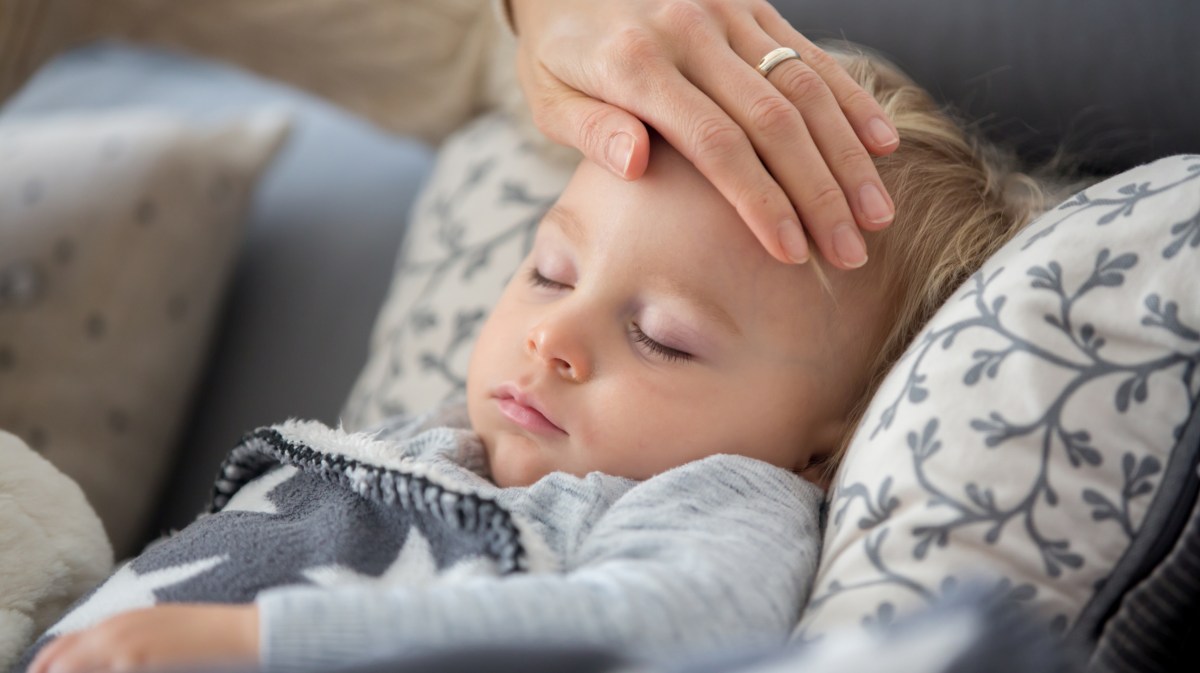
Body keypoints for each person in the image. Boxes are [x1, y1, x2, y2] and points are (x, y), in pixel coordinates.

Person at [25, 44, 1049, 673]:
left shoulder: (719, 500)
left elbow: (669, 623)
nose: (551, 337)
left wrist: (262, 648)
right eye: (552, 272)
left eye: (664, 337)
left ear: (825, 445)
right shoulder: (428, 439)